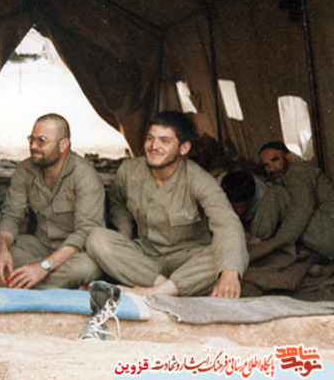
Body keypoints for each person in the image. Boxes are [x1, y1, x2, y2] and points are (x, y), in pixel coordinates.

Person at [86, 111, 248, 298]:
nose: (154, 146)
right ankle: (168, 287)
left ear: (184, 148)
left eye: (165, 141)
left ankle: (152, 292)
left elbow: (227, 222)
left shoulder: (200, 180)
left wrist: (229, 272)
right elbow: (117, 201)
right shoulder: (129, 171)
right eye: (150, 138)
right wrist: (125, 234)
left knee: (231, 257)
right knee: (97, 239)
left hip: (187, 258)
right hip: (145, 256)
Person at [0, 113, 104, 289]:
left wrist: (44, 267)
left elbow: (85, 232)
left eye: (41, 141)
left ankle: (8, 281)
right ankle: (34, 280)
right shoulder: (25, 169)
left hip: (72, 252)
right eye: (31, 139)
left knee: (87, 268)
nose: (33, 146)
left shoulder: (85, 176)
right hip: (40, 245)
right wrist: (3, 250)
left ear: (63, 145)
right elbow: (11, 216)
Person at [250, 141, 334, 262]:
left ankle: (255, 242)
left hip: (329, 235)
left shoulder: (297, 171)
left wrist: (276, 247)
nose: (271, 169)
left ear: (288, 157)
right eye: (266, 165)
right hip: (325, 235)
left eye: (275, 160)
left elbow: (302, 209)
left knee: (276, 193)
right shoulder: (292, 175)